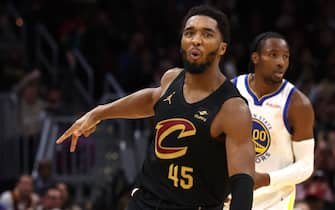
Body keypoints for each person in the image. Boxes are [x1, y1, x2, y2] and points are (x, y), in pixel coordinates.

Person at [56, 5, 255, 210]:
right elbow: (151, 99)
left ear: (222, 47)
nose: (196, 40)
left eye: (207, 34)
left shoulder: (233, 108)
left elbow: (242, 182)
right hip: (144, 202)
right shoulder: (172, 79)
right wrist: (99, 113)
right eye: (189, 33)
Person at [231, 32, 315, 209]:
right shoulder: (232, 90)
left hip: (276, 201)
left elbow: (306, 166)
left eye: (285, 57)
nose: (281, 62)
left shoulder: (298, 104)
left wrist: (266, 179)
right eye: (273, 54)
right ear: (255, 57)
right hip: (232, 198)